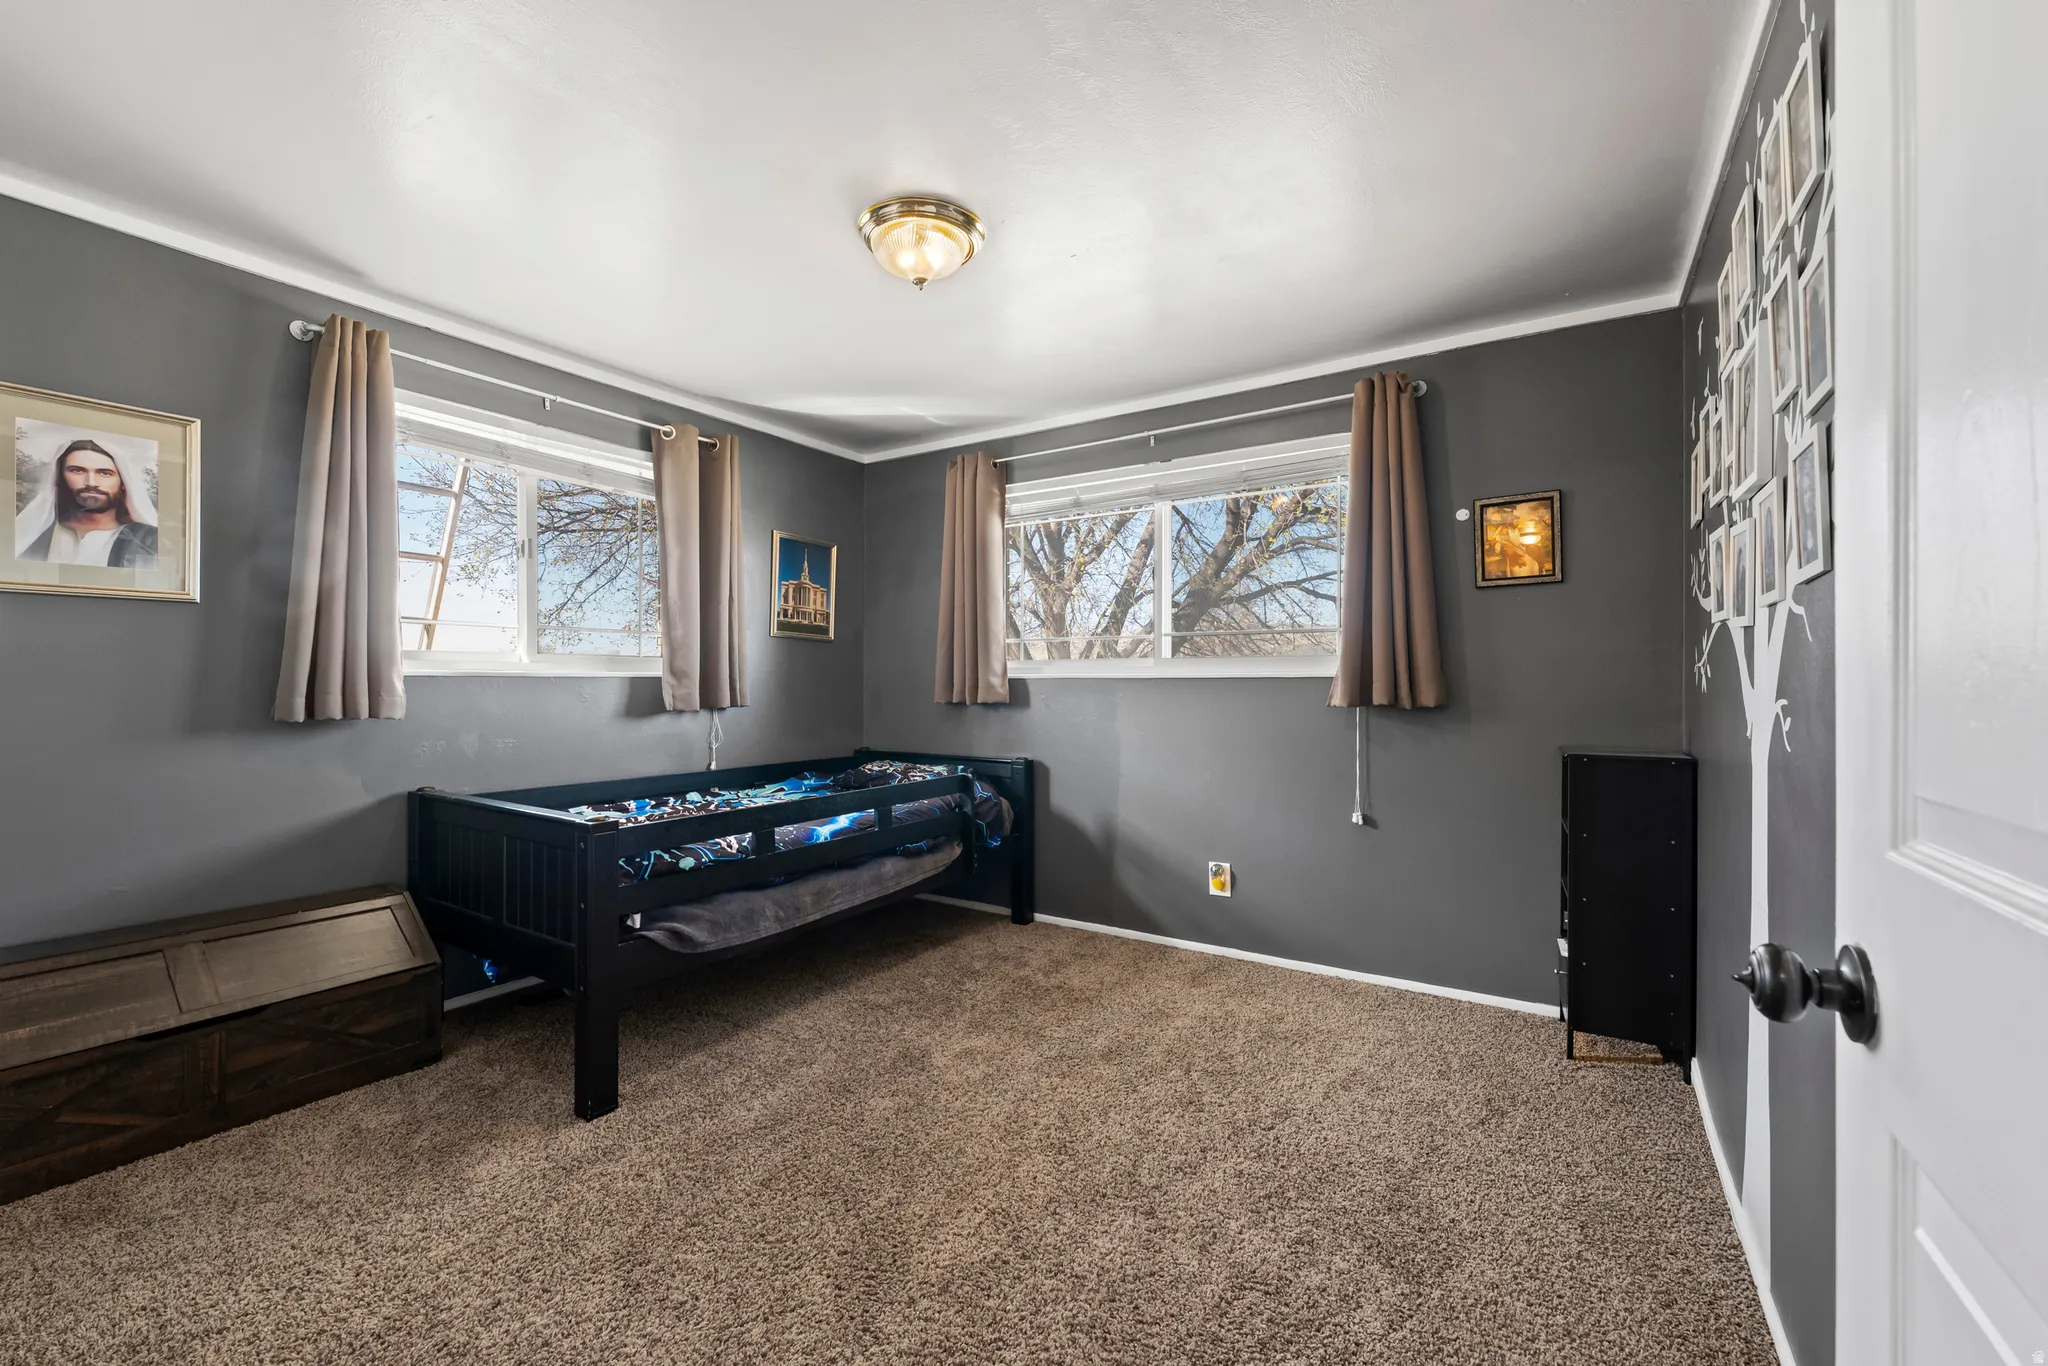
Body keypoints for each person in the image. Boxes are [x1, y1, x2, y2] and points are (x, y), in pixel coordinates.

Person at [13, 437, 158, 568]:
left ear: (123, 483)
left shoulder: (148, 542)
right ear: (59, 478)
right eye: (77, 471)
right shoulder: (33, 536)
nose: (91, 483)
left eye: (105, 473)